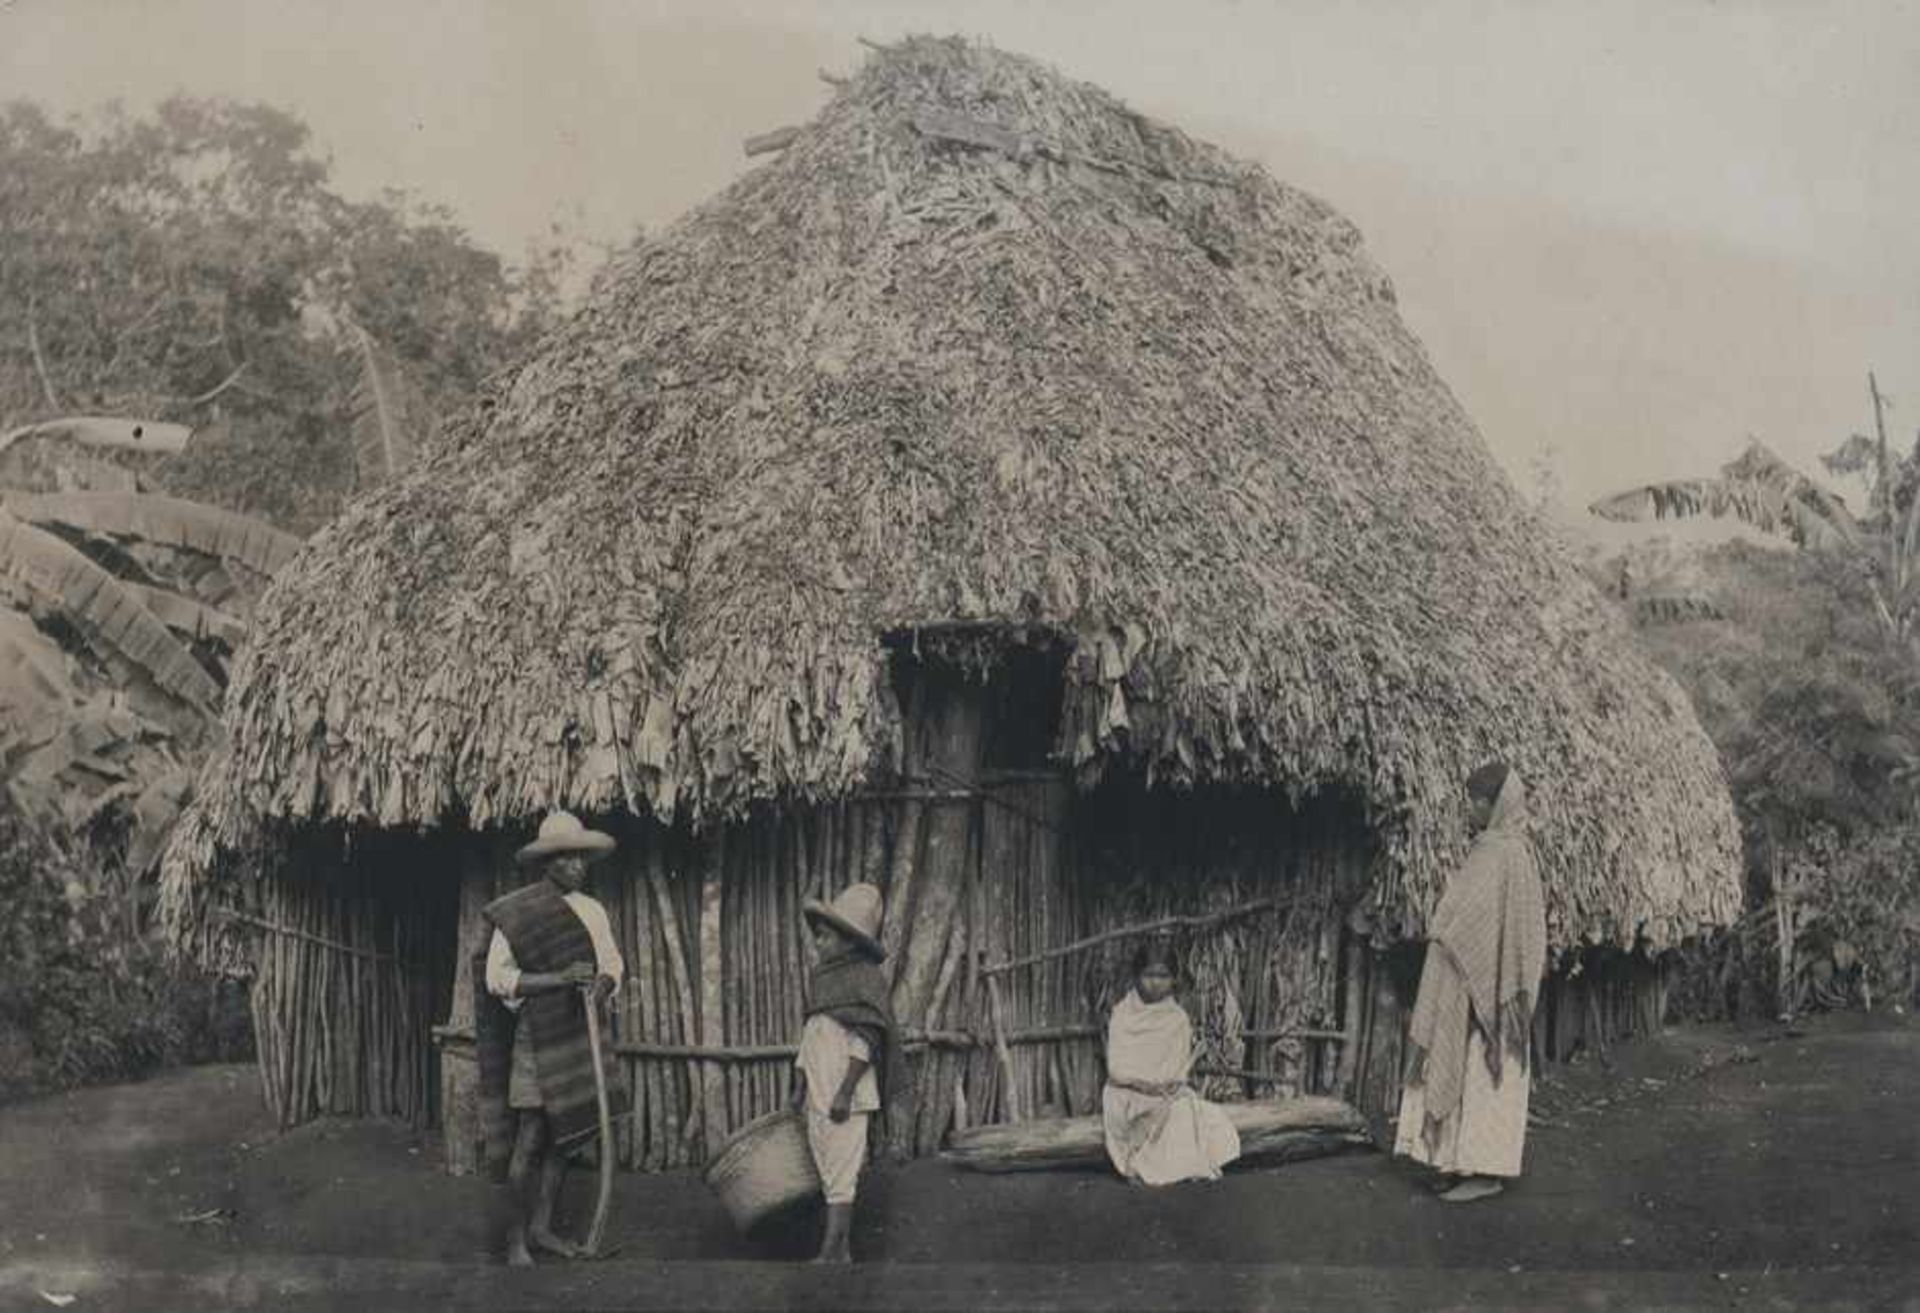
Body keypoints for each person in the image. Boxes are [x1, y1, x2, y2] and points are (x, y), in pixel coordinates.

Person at [474, 810, 626, 1266]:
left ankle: (541, 1228)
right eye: (568, 858)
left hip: (580, 1033)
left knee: (569, 1137)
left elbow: (613, 965)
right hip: (537, 1037)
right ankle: (515, 1240)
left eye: (582, 858)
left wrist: (600, 986)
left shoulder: (592, 911)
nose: (578, 866)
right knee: (533, 1136)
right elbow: (498, 979)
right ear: (549, 864)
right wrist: (558, 979)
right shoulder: (518, 912)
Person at [1394, 761, 1547, 1203]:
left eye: (1475, 802)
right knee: (1464, 1071)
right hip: (1474, 980)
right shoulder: (1507, 851)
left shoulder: (1500, 854)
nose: (1469, 809)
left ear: (1493, 804)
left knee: (1481, 1073)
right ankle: (1454, 1162)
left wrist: (1447, 928)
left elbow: (1477, 922)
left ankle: (1484, 1171)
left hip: (1486, 989)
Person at [788, 882, 905, 1264]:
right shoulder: (824, 980)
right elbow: (813, 1037)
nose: (818, 944)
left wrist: (844, 1091)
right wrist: (801, 1086)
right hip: (820, 1088)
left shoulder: (865, 979)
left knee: (841, 1174)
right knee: (826, 1168)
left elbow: (866, 1040)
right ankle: (842, 1251)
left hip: (846, 1094)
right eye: (818, 937)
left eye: (825, 937)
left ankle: (830, 1251)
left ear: (850, 942)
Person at [1101, 940, 1241, 1186]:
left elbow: (1177, 1072)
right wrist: (1144, 1084)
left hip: (1165, 1095)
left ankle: (1158, 1167)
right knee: (1138, 1117)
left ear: (1173, 979)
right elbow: (1116, 1068)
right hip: (1127, 1095)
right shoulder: (1122, 1014)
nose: (1156, 982)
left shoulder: (1177, 1019)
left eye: (1163, 975)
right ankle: (1138, 1165)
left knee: (1192, 1113)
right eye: (1149, 975)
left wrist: (1163, 1087)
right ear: (1136, 976)